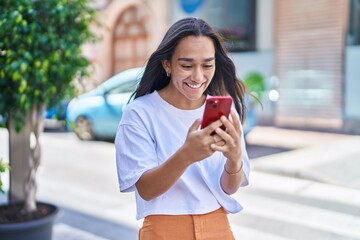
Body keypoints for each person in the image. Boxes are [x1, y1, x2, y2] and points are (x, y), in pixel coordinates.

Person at [115, 17, 250, 240]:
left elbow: (229, 188)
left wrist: (234, 159)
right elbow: (147, 190)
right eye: (186, 65)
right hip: (164, 229)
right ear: (167, 64)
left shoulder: (225, 110)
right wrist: (187, 155)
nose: (198, 76)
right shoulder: (140, 113)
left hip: (218, 227)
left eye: (207, 65)